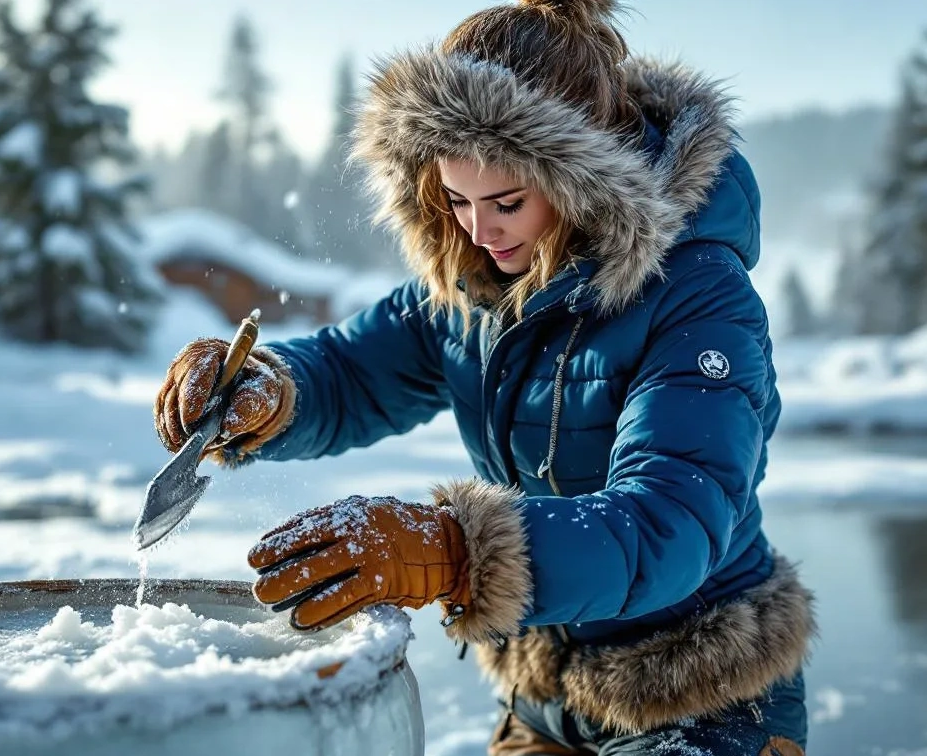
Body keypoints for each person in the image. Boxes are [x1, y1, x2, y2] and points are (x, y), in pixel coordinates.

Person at [153, 0, 815, 752]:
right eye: (455, 199)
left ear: (583, 183)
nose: (478, 229)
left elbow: (668, 523)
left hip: (704, 696)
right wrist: (267, 395)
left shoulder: (699, 297)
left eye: (506, 202)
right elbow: (348, 374)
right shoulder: (475, 288)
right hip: (542, 695)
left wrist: (455, 549)